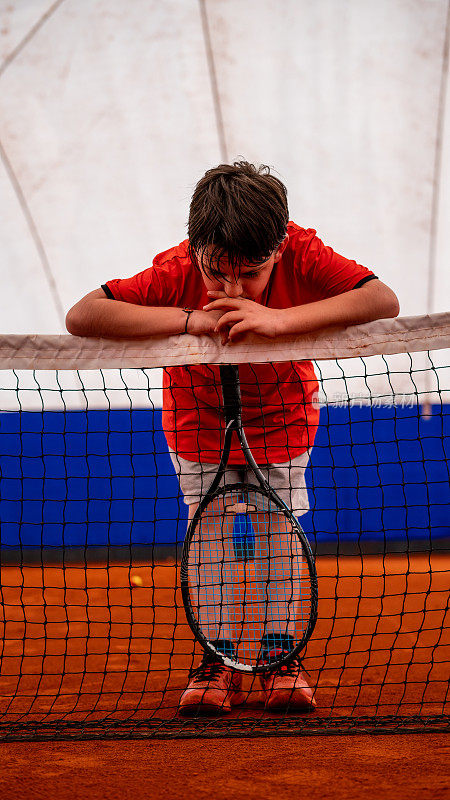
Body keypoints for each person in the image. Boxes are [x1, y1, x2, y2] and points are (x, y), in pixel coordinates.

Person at [66, 161, 399, 716]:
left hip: (283, 421)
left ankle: (279, 657)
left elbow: (382, 301)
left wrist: (278, 321)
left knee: (280, 538)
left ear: (279, 248)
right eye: (218, 272)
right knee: (212, 540)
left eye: (251, 274)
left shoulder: (305, 251)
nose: (233, 289)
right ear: (196, 248)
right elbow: (84, 315)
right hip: (196, 424)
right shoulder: (175, 269)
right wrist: (192, 319)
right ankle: (216, 658)